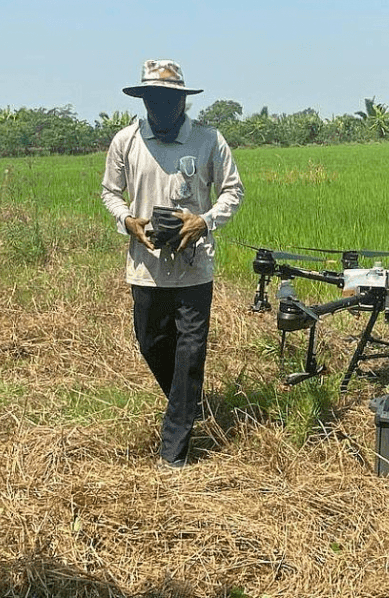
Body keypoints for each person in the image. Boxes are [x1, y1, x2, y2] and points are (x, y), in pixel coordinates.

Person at [100, 59, 244, 469]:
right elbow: (110, 192)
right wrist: (128, 220)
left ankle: (173, 451)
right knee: (151, 344)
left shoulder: (208, 140)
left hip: (194, 267)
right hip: (145, 267)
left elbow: (233, 191)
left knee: (191, 351)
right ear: (144, 99)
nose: (162, 107)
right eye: (154, 98)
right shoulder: (126, 141)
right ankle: (187, 404)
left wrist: (204, 220)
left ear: (182, 101)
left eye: (170, 99)